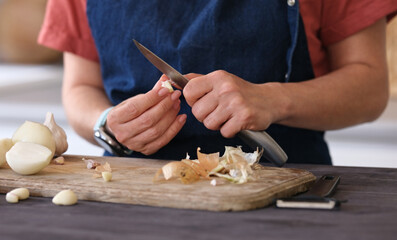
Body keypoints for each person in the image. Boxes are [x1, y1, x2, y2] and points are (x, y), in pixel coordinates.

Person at [38, 0, 397, 164]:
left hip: (286, 194)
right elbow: (80, 87)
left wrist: (273, 100)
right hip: (130, 191)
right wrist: (106, 125)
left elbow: (369, 87)